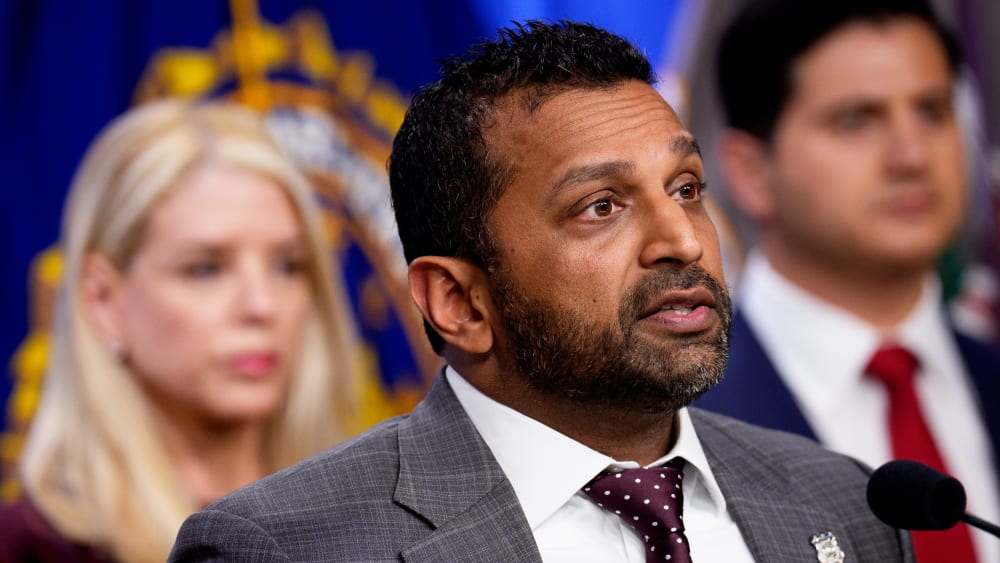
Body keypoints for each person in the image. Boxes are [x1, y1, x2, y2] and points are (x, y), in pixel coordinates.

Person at [170, 20, 912, 562]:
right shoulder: (288, 547)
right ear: (459, 301)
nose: (683, 241)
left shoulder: (848, 504)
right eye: (601, 206)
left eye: (686, 188)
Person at [693, 0, 1000, 561]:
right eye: (856, 120)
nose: (912, 155)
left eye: (932, 111)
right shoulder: (671, 420)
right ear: (750, 172)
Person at [0, 99, 358, 563]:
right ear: (103, 300)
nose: (262, 305)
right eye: (206, 269)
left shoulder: (375, 525)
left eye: (287, 265)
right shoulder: (29, 549)